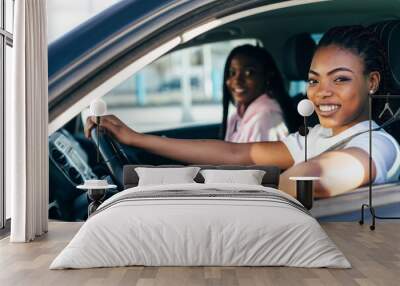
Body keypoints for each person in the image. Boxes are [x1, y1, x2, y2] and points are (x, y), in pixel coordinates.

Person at [85, 25, 400, 199]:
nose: (322, 92)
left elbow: (316, 179)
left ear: (371, 82)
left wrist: (219, 187)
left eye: (341, 79)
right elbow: (238, 154)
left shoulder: (379, 145)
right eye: (314, 81)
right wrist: (137, 138)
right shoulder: (316, 136)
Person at [221, 45, 300, 142]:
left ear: (267, 76)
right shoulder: (236, 117)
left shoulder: (265, 119)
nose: (237, 80)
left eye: (248, 72)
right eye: (232, 73)